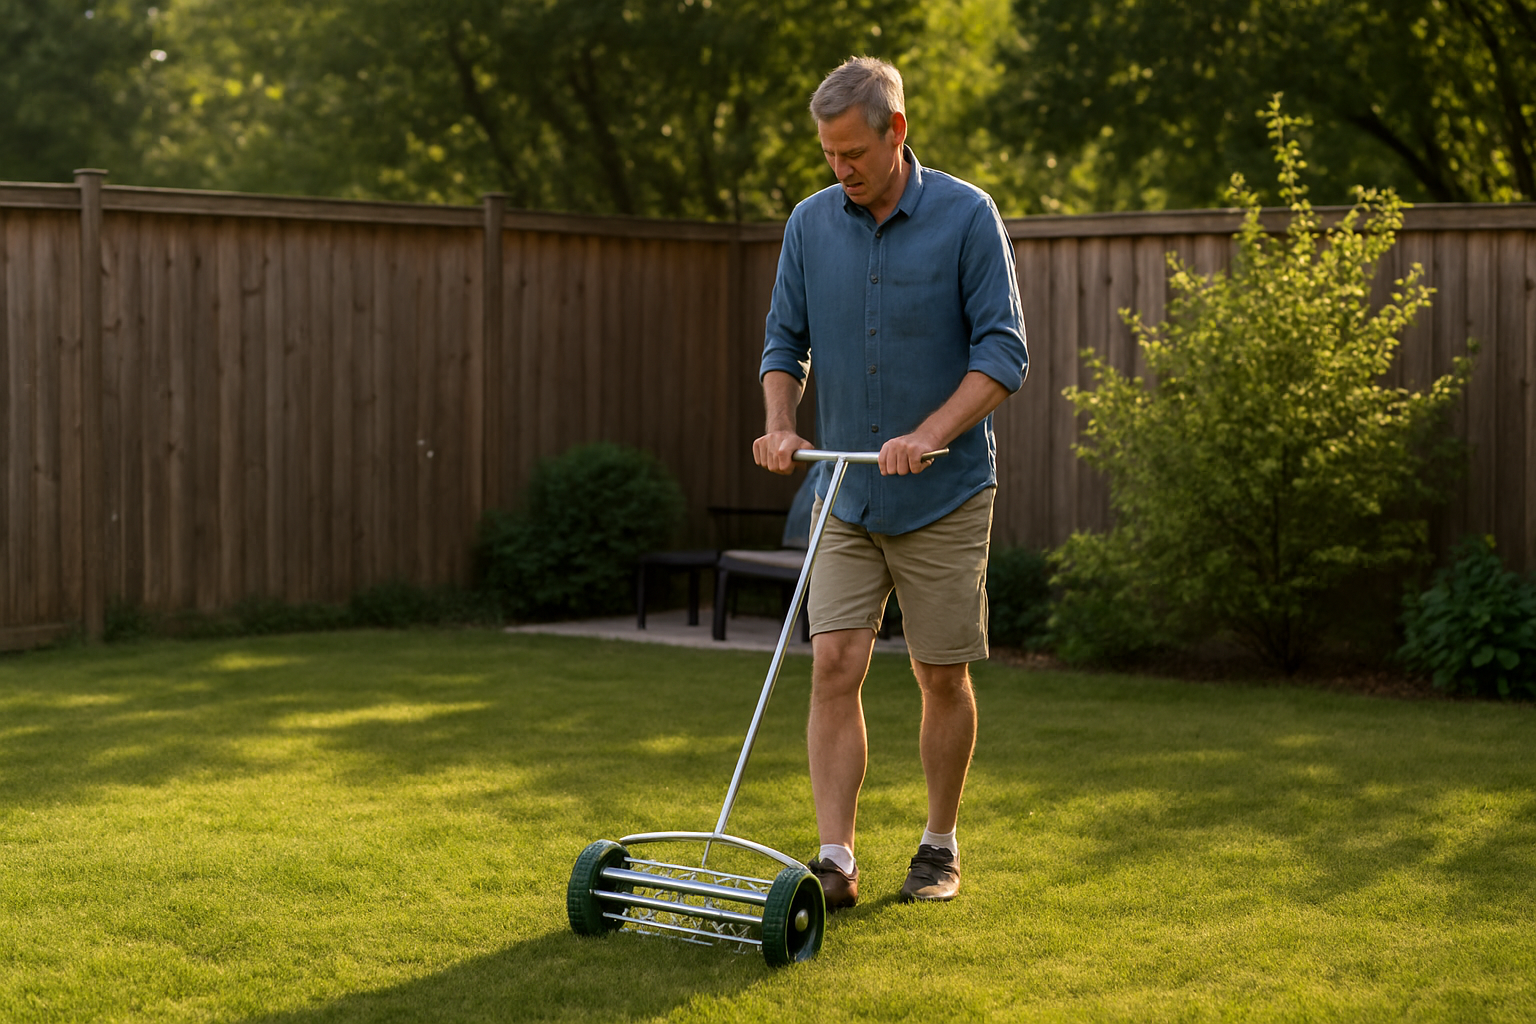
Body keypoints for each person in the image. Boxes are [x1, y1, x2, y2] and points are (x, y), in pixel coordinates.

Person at [753, 56, 1028, 908]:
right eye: (829, 155)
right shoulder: (809, 224)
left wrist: (930, 434)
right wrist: (779, 422)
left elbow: (1003, 354)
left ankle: (938, 847)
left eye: (854, 154)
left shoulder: (967, 216)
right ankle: (834, 860)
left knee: (940, 674)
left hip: (944, 493)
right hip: (847, 490)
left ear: (896, 131)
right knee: (834, 662)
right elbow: (782, 343)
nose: (840, 170)